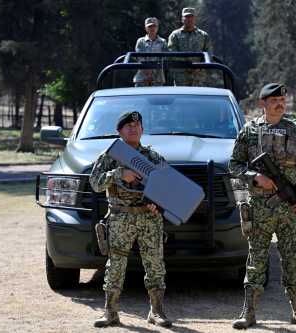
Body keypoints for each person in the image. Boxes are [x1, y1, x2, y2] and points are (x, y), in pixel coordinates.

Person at [229, 83, 296, 329]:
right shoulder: (249, 131)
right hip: (259, 208)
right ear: (263, 104)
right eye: (274, 100)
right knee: (256, 261)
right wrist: (255, 177)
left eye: (282, 99)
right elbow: (234, 165)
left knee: (292, 260)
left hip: (291, 209)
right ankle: (249, 314)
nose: (280, 103)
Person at [90, 111, 172, 328]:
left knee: (155, 264)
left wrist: (159, 201)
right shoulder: (110, 156)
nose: (134, 128)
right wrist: (119, 174)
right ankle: (111, 312)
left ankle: (157, 311)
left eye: (137, 125)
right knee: (115, 265)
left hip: (149, 218)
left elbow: (169, 186)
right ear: (120, 131)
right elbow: (96, 183)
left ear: (142, 130)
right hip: (120, 217)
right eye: (128, 125)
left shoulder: (153, 157)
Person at [167, 7, 211, 86]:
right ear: (182, 19)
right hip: (181, 76)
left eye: (191, 17)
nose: (189, 19)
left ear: (195, 18)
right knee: (181, 98)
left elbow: (209, 54)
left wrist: (199, 67)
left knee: (199, 98)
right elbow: (172, 53)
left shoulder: (203, 35)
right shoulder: (175, 35)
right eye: (186, 17)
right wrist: (188, 65)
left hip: (199, 77)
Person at [133, 17, 168, 86]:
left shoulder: (163, 42)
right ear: (146, 28)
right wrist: (147, 70)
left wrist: (153, 70)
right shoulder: (141, 41)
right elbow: (139, 57)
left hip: (158, 78)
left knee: (157, 96)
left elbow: (164, 58)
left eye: (154, 26)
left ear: (157, 28)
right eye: (149, 26)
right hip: (142, 78)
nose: (152, 28)